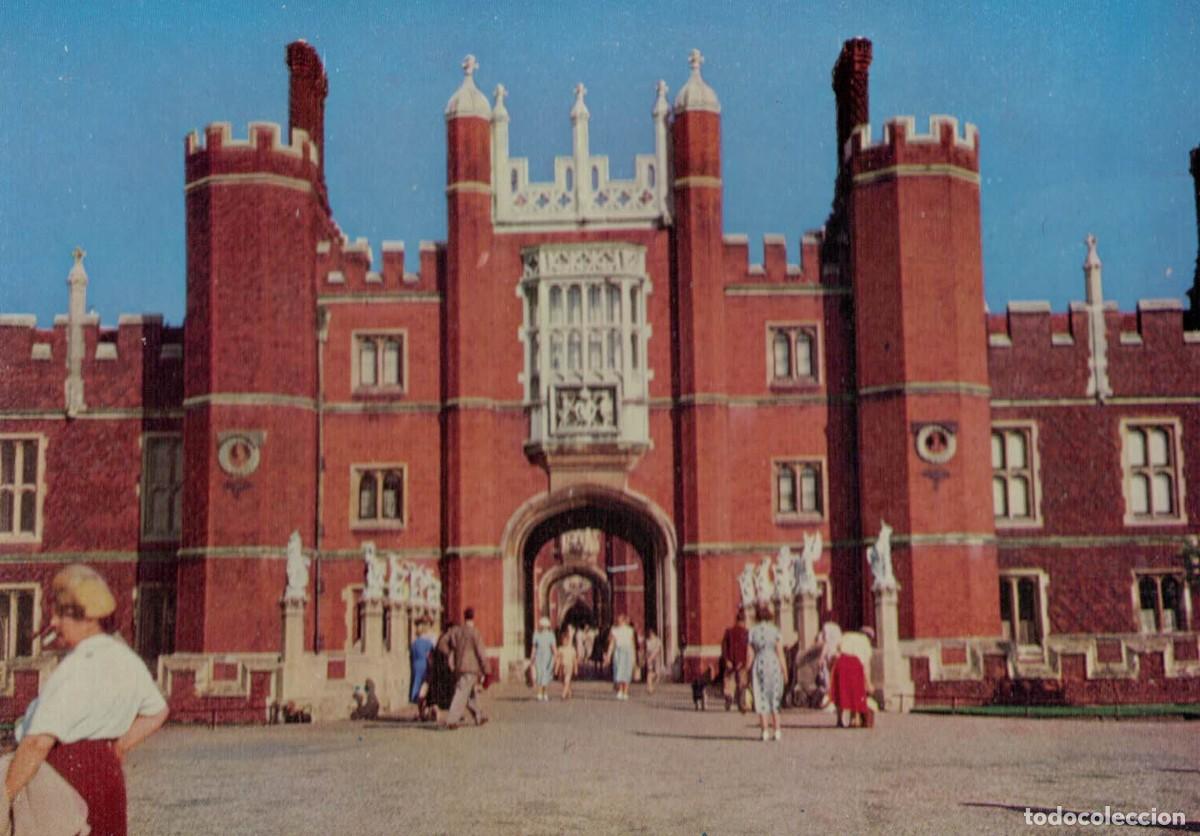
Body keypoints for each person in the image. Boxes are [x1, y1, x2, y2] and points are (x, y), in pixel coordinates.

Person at [4, 564, 169, 836]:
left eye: (61, 614)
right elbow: (158, 712)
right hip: (107, 777)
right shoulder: (127, 660)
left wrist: (6, 795)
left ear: (88, 619)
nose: (54, 622)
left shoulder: (75, 669)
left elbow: (36, 743)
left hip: (60, 778)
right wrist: (116, 747)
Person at [443, 607, 489, 729]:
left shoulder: (456, 631)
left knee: (469, 694)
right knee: (461, 693)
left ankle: (479, 715)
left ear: (464, 617)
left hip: (459, 667)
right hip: (471, 668)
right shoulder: (475, 633)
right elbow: (481, 653)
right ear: (473, 617)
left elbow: (443, 642)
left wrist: (450, 653)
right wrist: (487, 670)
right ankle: (452, 720)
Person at [747, 603, 787, 742]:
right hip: (774, 663)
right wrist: (785, 671)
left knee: (761, 696)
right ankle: (777, 730)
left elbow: (750, 654)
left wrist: (747, 670)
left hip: (760, 663)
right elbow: (780, 653)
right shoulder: (775, 630)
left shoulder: (753, 631)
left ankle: (764, 731)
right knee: (775, 697)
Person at [830, 627, 875, 729]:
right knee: (856, 692)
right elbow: (866, 666)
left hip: (841, 663)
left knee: (841, 692)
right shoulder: (865, 643)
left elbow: (835, 654)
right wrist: (868, 683)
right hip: (855, 665)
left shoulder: (846, 636)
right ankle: (855, 719)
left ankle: (840, 719)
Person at [719, 609, 750, 712]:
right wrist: (744, 661)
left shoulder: (729, 632)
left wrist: (727, 659)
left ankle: (729, 697)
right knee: (742, 683)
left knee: (728, 682)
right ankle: (741, 703)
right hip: (742, 662)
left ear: (736, 620)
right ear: (744, 621)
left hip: (730, 661)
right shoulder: (746, 633)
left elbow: (723, 647)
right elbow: (747, 649)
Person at [604, 613, 636, 701]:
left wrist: (634, 656)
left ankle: (625, 691)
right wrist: (608, 655)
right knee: (618, 670)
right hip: (618, 651)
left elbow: (632, 644)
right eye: (618, 619)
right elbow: (612, 644)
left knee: (627, 671)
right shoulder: (614, 630)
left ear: (624, 620)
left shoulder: (630, 630)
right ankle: (620, 690)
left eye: (621, 619)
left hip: (628, 651)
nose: (619, 621)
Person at [409, 619, 435, 720]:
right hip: (425, 666)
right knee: (425, 688)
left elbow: (411, 656)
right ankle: (427, 711)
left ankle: (421, 712)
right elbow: (431, 656)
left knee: (417, 686)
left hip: (416, 666)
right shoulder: (428, 643)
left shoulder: (414, 643)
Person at [530, 616, 557, 702]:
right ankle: (540, 693)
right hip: (539, 657)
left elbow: (553, 647)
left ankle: (544, 693)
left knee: (545, 674)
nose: (543, 627)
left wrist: (556, 655)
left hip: (548, 657)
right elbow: (534, 647)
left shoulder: (551, 635)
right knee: (540, 674)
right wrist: (532, 656)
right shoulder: (536, 634)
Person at [556, 626, 578, 700]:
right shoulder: (560, 649)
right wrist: (556, 668)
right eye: (563, 640)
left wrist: (575, 668)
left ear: (569, 641)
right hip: (562, 667)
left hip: (569, 666)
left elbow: (574, 660)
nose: (564, 642)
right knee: (562, 680)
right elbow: (558, 659)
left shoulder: (572, 649)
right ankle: (569, 691)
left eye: (566, 640)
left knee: (567, 680)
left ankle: (563, 694)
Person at [643, 628, 664, 695]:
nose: (650, 634)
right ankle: (650, 688)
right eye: (649, 633)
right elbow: (646, 650)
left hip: (656, 658)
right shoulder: (647, 641)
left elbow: (658, 650)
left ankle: (651, 686)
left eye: (651, 633)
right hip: (650, 659)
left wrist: (652, 657)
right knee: (649, 673)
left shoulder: (658, 640)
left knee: (657, 674)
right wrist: (646, 658)